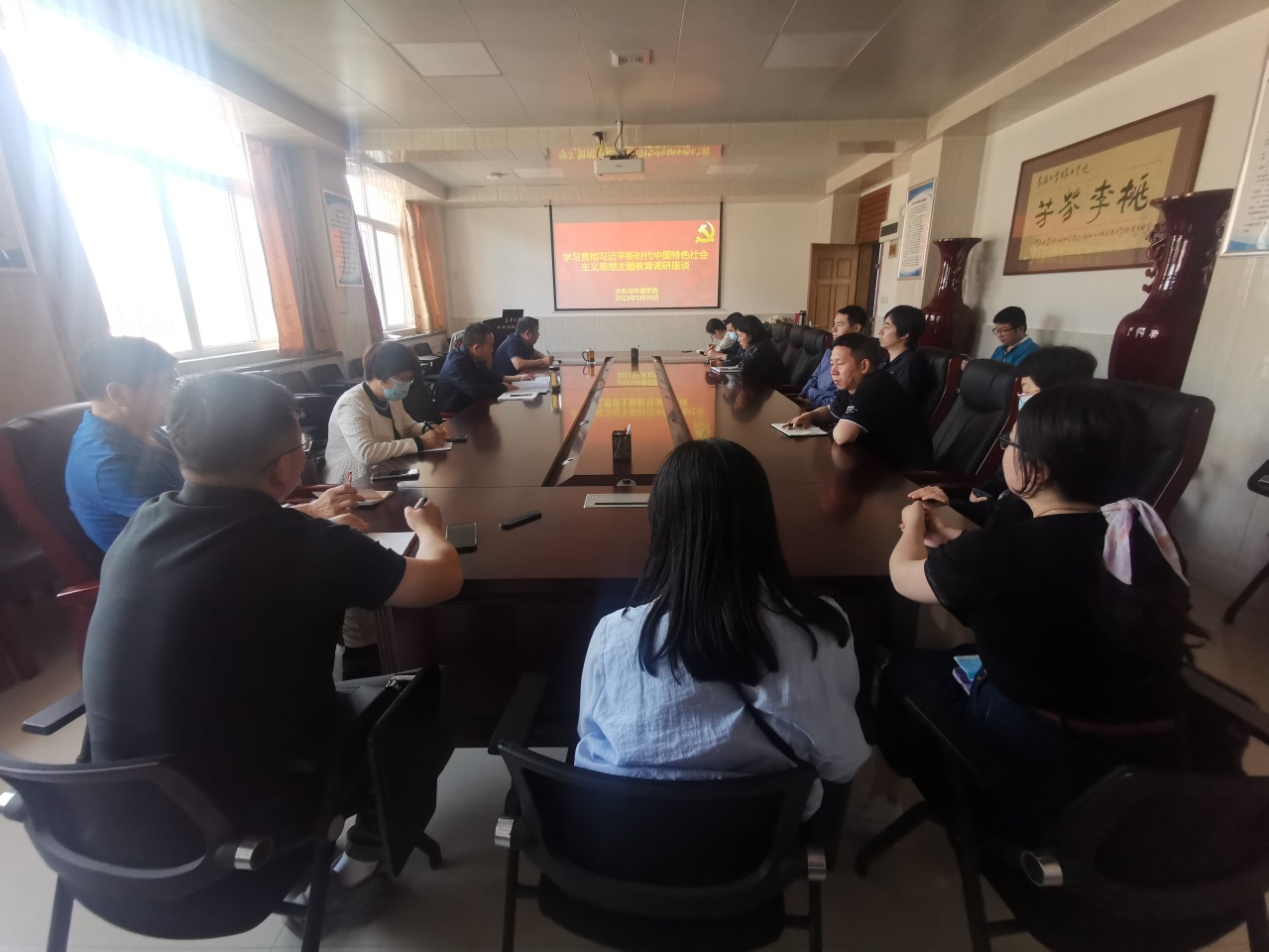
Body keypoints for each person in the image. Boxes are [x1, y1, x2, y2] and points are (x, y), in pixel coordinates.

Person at [81, 371, 464, 935]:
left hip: (108, 828)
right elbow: (441, 581)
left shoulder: (146, 521)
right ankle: (357, 872)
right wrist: (429, 530)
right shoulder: (308, 547)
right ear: (286, 467)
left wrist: (309, 517)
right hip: (238, 842)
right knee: (430, 697)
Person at [879, 382, 1203, 835]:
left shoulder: (1002, 553)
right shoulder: (1142, 539)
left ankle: (949, 804)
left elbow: (903, 575)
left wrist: (912, 525)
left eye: (1009, 442)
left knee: (902, 675)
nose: (1005, 450)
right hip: (1156, 759)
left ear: (1039, 465)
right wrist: (952, 539)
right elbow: (1056, 564)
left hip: (1052, 754)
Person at [575, 438, 869, 820]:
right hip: (761, 845)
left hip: (625, 838)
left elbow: (589, 734)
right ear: (764, 519)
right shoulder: (819, 633)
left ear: (661, 524)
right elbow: (842, 764)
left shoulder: (614, 635)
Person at [65, 336, 357, 552]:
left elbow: (217, 501)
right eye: (165, 384)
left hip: (226, 539)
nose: (175, 393)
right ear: (119, 394)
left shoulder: (146, 432)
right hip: (189, 570)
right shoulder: (110, 466)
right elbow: (203, 529)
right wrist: (310, 512)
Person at [908, 345, 1099, 527]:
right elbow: (1000, 484)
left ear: (1055, 394)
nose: (1020, 397)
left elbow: (1008, 518)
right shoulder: (1035, 433)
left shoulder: (1057, 449)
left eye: (1026, 390)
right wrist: (955, 503)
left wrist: (955, 514)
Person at [785, 333, 933, 470]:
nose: (833, 371)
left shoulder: (875, 385)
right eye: (832, 363)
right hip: (874, 462)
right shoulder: (853, 383)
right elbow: (831, 411)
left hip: (902, 475)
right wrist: (810, 416)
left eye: (840, 364)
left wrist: (837, 426)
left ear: (864, 366)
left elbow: (842, 436)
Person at [324, 340, 449, 480]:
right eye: (401, 379)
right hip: (353, 480)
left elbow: (408, 427)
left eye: (409, 379)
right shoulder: (351, 404)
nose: (406, 384)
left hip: (386, 471)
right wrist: (420, 442)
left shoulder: (390, 396)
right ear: (380, 375)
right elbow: (366, 453)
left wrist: (428, 429)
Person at [436, 322, 533, 415]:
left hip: (473, 405)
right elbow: (475, 390)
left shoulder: (473, 355)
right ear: (477, 348)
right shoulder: (456, 364)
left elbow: (488, 376)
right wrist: (504, 387)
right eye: (491, 345)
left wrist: (517, 378)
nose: (493, 350)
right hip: (456, 414)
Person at [798, 306, 868, 408]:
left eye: (839, 325)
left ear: (856, 328)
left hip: (827, 409)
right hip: (809, 402)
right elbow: (815, 377)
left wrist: (813, 402)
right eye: (834, 324)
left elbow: (844, 400)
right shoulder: (831, 349)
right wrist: (802, 396)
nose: (833, 329)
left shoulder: (859, 357)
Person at [876, 305, 934, 405]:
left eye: (887, 326)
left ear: (905, 334)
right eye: (883, 325)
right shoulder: (888, 361)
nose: (880, 331)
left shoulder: (911, 363)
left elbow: (896, 404)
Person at [731, 313, 789, 387]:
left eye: (740, 336)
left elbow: (744, 371)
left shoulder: (761, 350)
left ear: (750, 334)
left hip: (775, 391)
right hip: (763, 389)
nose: (738, 340)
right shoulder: (761, 344)